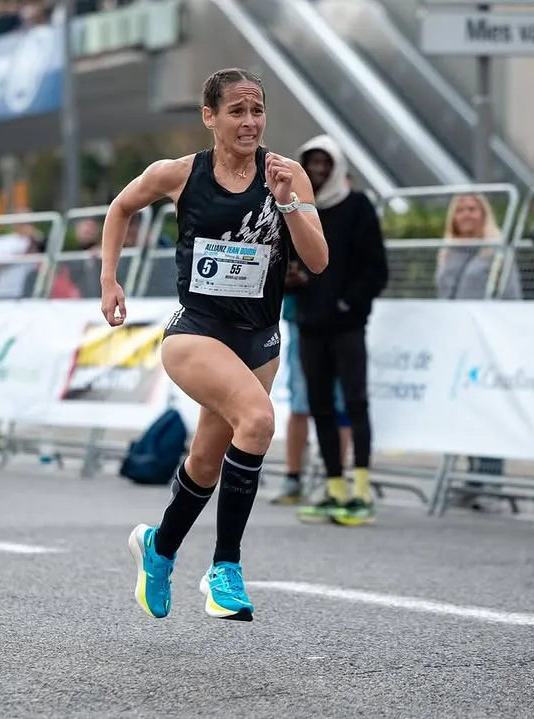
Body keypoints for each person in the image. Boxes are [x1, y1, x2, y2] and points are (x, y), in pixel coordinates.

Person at [100, 68, 328, 621]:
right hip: (196, 332)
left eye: (257, 111)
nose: (250, 123)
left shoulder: (287, 174)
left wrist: (288, 203)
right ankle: (225, 567)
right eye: (237, 112)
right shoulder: (179, 174)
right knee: (258, 420)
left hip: (259, 339)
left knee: (206, 459)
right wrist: (110, 279)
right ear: (209, 117)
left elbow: (318, 261)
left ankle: (160, 549)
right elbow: (120, 209)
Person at [288, 135, 387, 527]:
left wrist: (348, 305)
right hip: (310, 325)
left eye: (325, 162)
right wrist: (290, 281)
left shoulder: (358, 206)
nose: (318, 169)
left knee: (356, 403)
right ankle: (334, 487)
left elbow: (376, 269)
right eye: (310, 163)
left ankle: (361, 487)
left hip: (347, 326)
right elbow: (290, 263)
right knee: (320, 407)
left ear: (338, 166)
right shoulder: (297, 210)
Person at [435, 193, 521, 510]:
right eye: (460, 209)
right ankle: (473, 479)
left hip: (488, 345)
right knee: (467, 411)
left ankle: (491, 480)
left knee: (491, 410)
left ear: (484, 215)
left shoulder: (496, 252)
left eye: (473, 209)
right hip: (458, 345)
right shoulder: (446, 251)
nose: (467, 215)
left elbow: (512, 297)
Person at [270, 287, 351, 507]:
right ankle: (293, 478)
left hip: (343, 322)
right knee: (300, 403)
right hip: (303, 317)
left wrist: (352, 300)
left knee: (340, 406)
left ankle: (333, 482)